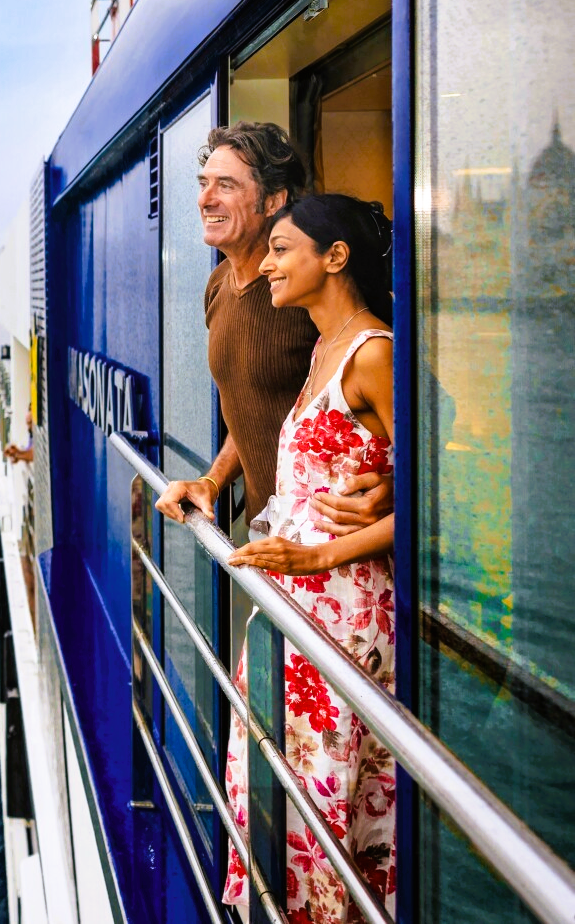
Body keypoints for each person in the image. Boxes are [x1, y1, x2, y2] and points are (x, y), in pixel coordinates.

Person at [221, 193, 398, 921]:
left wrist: (320, 554)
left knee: (328, 803)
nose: (267, 264)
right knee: (290, 792)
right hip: (299, 606)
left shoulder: (372, 351)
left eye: (282, 248)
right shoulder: (322, 347)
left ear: (335, 256)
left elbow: (441, 492)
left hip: (345, 613)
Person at [154, 122, 390, 536]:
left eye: (225, 185)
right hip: (271, 534)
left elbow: (420, 411)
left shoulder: (308, 291)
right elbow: (251, 408)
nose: (205, 199)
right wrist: (212, 480)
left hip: (333, 544)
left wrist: (396, 491)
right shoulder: (218, 286)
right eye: (203, 183)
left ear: (272, 201)